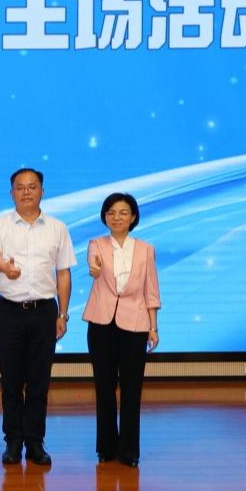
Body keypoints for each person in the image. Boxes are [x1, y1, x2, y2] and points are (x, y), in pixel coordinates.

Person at [0, 168, 75, 466]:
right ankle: (13, 441)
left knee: (39, 380)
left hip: (44, 312)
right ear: (11, 192)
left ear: (42, 191)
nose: (26, 192)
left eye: (32, 187)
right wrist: (5, 268)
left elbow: (63, 273)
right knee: (11, 380)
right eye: (20, 187)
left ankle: (35, 442)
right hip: (8, 311)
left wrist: (63, 314)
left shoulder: (57, 228)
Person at [82, 193, 160, 468]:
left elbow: (151, 290)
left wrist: (153, 326)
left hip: (136, 324)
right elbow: (93, 263)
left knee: (132, 388)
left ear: (133, 217)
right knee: (104, 387)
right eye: (111, 212)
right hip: (101, 323)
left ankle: (129, 450)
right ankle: (106, 447)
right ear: (104, 217)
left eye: (123, 212)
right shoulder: (96, 244)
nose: (116, 217)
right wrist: (94, 268)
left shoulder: (146, 249)